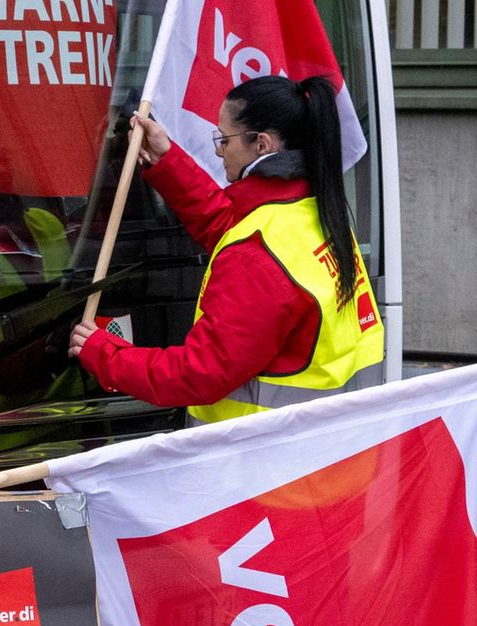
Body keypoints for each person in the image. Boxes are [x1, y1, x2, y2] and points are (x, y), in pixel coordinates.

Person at [68, 75, 385, 424]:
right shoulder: (317, 211)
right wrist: (168, 160)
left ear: (262, 144)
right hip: (326, 452)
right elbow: (229, 224)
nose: (219, 150)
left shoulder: (256, 254)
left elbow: (198, 373)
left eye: (224, 139)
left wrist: (106, 355)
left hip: (258, 463)